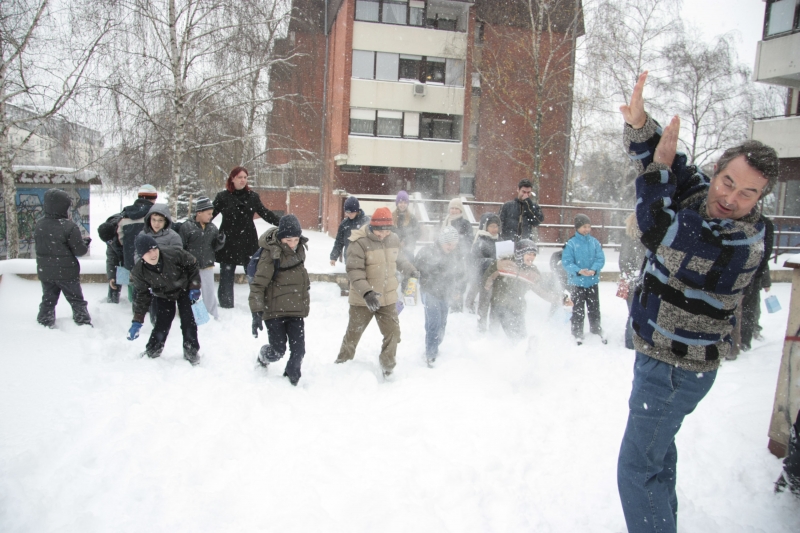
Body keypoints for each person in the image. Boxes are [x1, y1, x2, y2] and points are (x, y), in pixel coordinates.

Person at [616, 71, 779, 533]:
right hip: (661, 356)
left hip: (675, 369)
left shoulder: (739, 242)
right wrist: (641, 126)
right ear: (719, 170)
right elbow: (669, 166)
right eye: (727, 181)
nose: (730, 198)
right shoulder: (704, 196)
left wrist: (658, 172)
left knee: (636, 470)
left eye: (747, 193)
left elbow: (656, 225)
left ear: (761, 198)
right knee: (657, 458)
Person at [334, 207, 417, 378]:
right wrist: (367, 293)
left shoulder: (393, 239)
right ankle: (342, 365)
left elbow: (399, 259)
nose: (383, 235)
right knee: (354, 333)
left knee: (393, 333)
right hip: (363, 298)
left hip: (387, 297)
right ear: (372, 226)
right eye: (380, 231)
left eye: (387, 231)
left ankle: (387, 366)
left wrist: (410, 270)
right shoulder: (359, 242)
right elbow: (354, 270)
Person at [249, 215, 309, 386]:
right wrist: (256, 312)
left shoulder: (300, 249)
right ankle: (263, 356)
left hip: (295, 310)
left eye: (296, 239)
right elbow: (258, 285)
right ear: (281, 237)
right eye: (288, 240)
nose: (293, 244)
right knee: (278, 351)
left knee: (299, 351)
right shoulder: (270, 254)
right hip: (274, 311)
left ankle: (291, 378)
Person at [127, 234, 203, 365]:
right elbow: (142, 295)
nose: (153, 254)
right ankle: (153, 350)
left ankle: (191, 351)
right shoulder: (139, 271)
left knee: (188, 321)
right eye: (148, 252)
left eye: (154, 249)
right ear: (141, 255)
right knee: (162, 323)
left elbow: (193, 263)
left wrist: (194, 286)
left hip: (184, 289)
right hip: (163, 294)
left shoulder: (173, 253)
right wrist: (137, 320)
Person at [212, 166, 280, 309]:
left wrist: (283, 223)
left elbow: (265, 213)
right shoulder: (223, 197)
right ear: (232, 179)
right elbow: (209, 214)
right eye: (239, 177)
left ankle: (258, 304)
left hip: (248, 240)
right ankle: (226, 305)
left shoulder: (253, 197)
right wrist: (194, 225)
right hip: (228, 241)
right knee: (226, 274)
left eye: (245, 177)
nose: (243, 180)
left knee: (253, 274)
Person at [482, 239, 565, 339]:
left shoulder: (532, 273)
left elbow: (543, 291)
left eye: (534, 255)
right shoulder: (502, 264)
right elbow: (485, 287)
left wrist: (562, 300)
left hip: (518, 308)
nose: (532, 257)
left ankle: (525, 346)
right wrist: (481, 318)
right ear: (520, 254)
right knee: (499, 336)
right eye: (529, 254)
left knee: (521, 338)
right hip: (499, 306)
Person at [34, 189, 92, 328]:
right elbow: (79, 250)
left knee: (48, 299)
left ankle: (44, 322)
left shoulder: (39, 225)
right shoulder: (69, 226)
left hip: (46, 271)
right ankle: (83, 322)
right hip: (67, 272)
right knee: (76, 300)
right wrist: (85, 243)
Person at [414, 226, 464, 365]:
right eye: (448, 243)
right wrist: (418, 280)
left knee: (442, 323)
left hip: (445, 293)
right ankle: (431, 354)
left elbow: (460, 274)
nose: (451, 247)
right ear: (442, 241)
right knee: (434, 322)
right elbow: (415, 268)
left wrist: (458, 290)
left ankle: (435, 344)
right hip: (429, 291)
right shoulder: (427, 252)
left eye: (454, 244)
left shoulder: (455, 255)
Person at [109, 184, 158, 302]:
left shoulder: (125, 215)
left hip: (130, 262)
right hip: (152, 262)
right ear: (154, 198)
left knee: (135, 293)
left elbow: (120, 240)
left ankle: (133, 304)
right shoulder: (157, 215)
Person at [563, 214, 606, 345]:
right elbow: (567, 262)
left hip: (592, 282)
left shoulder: (594, 242)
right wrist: (578, 270)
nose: (586, 229)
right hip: (577, 283)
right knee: (578, 310)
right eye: (584, 227)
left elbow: (600, 259)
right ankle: (577, 332)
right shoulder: (571, 244)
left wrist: (594, 269)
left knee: (594, 308)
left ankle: (596, 329)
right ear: (577, 228)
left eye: (588, 226)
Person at [180, 196, 226, 320]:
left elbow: (215, 247)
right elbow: (181, 247)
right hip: (191, 268)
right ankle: (190, 315)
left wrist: (220, 241)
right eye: (209, 213)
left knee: (209, 292)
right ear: (199, 212)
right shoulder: (187, 227)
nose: (211, 216)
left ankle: (212, 315)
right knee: (191, 292)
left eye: (211, 213)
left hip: (207, 266)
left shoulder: (212, 228)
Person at [740, 217, 774, 351]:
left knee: (750, 309)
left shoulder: (762, 224)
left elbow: (764, 262)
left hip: (753, 280)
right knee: (748, 309)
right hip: (748, 279)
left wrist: (766, 282)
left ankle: (747, 337)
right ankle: (743, 339)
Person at [467, 213, 501, 329]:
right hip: (483, 278)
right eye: (492, 226)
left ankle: (494, 329)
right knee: (484, 304)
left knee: (496, 304)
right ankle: (481, 328)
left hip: (498, 279)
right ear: (485, 227)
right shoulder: (480, 242)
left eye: (496, 226)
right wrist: (491, 262)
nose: (494, 229)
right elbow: (474, 261)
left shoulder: (500, 241)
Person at [618, 213, 646, 350]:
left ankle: (635, 340)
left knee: (636, 314)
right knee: (634, 314)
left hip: (640, 281)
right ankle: (630, 342)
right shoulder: (632, 239)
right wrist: (633, 276)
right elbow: (624, 262)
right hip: (634, 282)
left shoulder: (644, 238)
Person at [441, 197, 473, 311]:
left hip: (459, 256)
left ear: (461, 210)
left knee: (458, 280)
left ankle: (456, 306)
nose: (454, 211)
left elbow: (469, 240)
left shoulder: (465, 223)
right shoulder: (445, 222)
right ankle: (445, 302)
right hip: (444, 255)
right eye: (452, 208)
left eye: (456, 208)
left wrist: (456, 243)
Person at [329, 196, 369, 266]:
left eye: (351, 212)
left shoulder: (366, 222)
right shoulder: (344, 224)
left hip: (364, 259)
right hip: (349, 259)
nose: (349, 215)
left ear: (357, 210)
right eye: (347, 212)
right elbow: (339, 242)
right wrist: (334, 257)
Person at [392, 190, 419, 265]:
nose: (402, 205)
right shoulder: (392, 217)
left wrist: (405, 241)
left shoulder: (412, 218)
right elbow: (389, 231)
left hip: (408, 249)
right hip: (394, 249)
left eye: (405, 203)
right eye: (400, 202)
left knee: (408, 266)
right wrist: (397, 242)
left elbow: (417, 233)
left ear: (407, 204)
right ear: (397, 203)